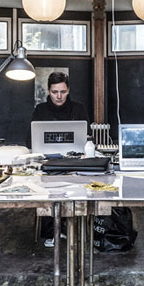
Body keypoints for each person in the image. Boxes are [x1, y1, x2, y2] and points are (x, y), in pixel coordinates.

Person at [31, 71, 89, 247]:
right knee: (48, 186)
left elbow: (87, 137)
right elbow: (31, 140)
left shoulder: (78, 108)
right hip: (48, 161)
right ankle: (51, 231)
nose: (59, 96)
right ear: (48, 91)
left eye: (63, 92)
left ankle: (74, 227)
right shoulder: (40, 110)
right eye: (55, 92)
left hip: (75, 160)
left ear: (68, 90)